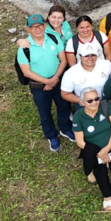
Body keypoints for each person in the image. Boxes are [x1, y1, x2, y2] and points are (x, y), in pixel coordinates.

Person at [73, 87, 111, 211]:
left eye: (96, 99)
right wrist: (99, 153)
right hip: (94, 150)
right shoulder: (78, 117)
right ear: (82, 103)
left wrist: (108, 147)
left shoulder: (105, 107)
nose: (94, 102)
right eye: (90, 101)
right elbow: (80, 141)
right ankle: (107, 195)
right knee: (99, 172)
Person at [18, 14, 69, 151]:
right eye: (33, 27)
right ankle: (51, 135)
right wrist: (47, 81)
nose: (37, 29)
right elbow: (26, 72)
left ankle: (65, 128)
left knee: (64, 105)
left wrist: (54, 79)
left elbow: (63, 60)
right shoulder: (24, 48)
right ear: (28, 29)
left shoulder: (54, 38)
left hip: (57, 80)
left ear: (44, 26)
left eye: (40, 25)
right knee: (44, 112)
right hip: (40, 86)